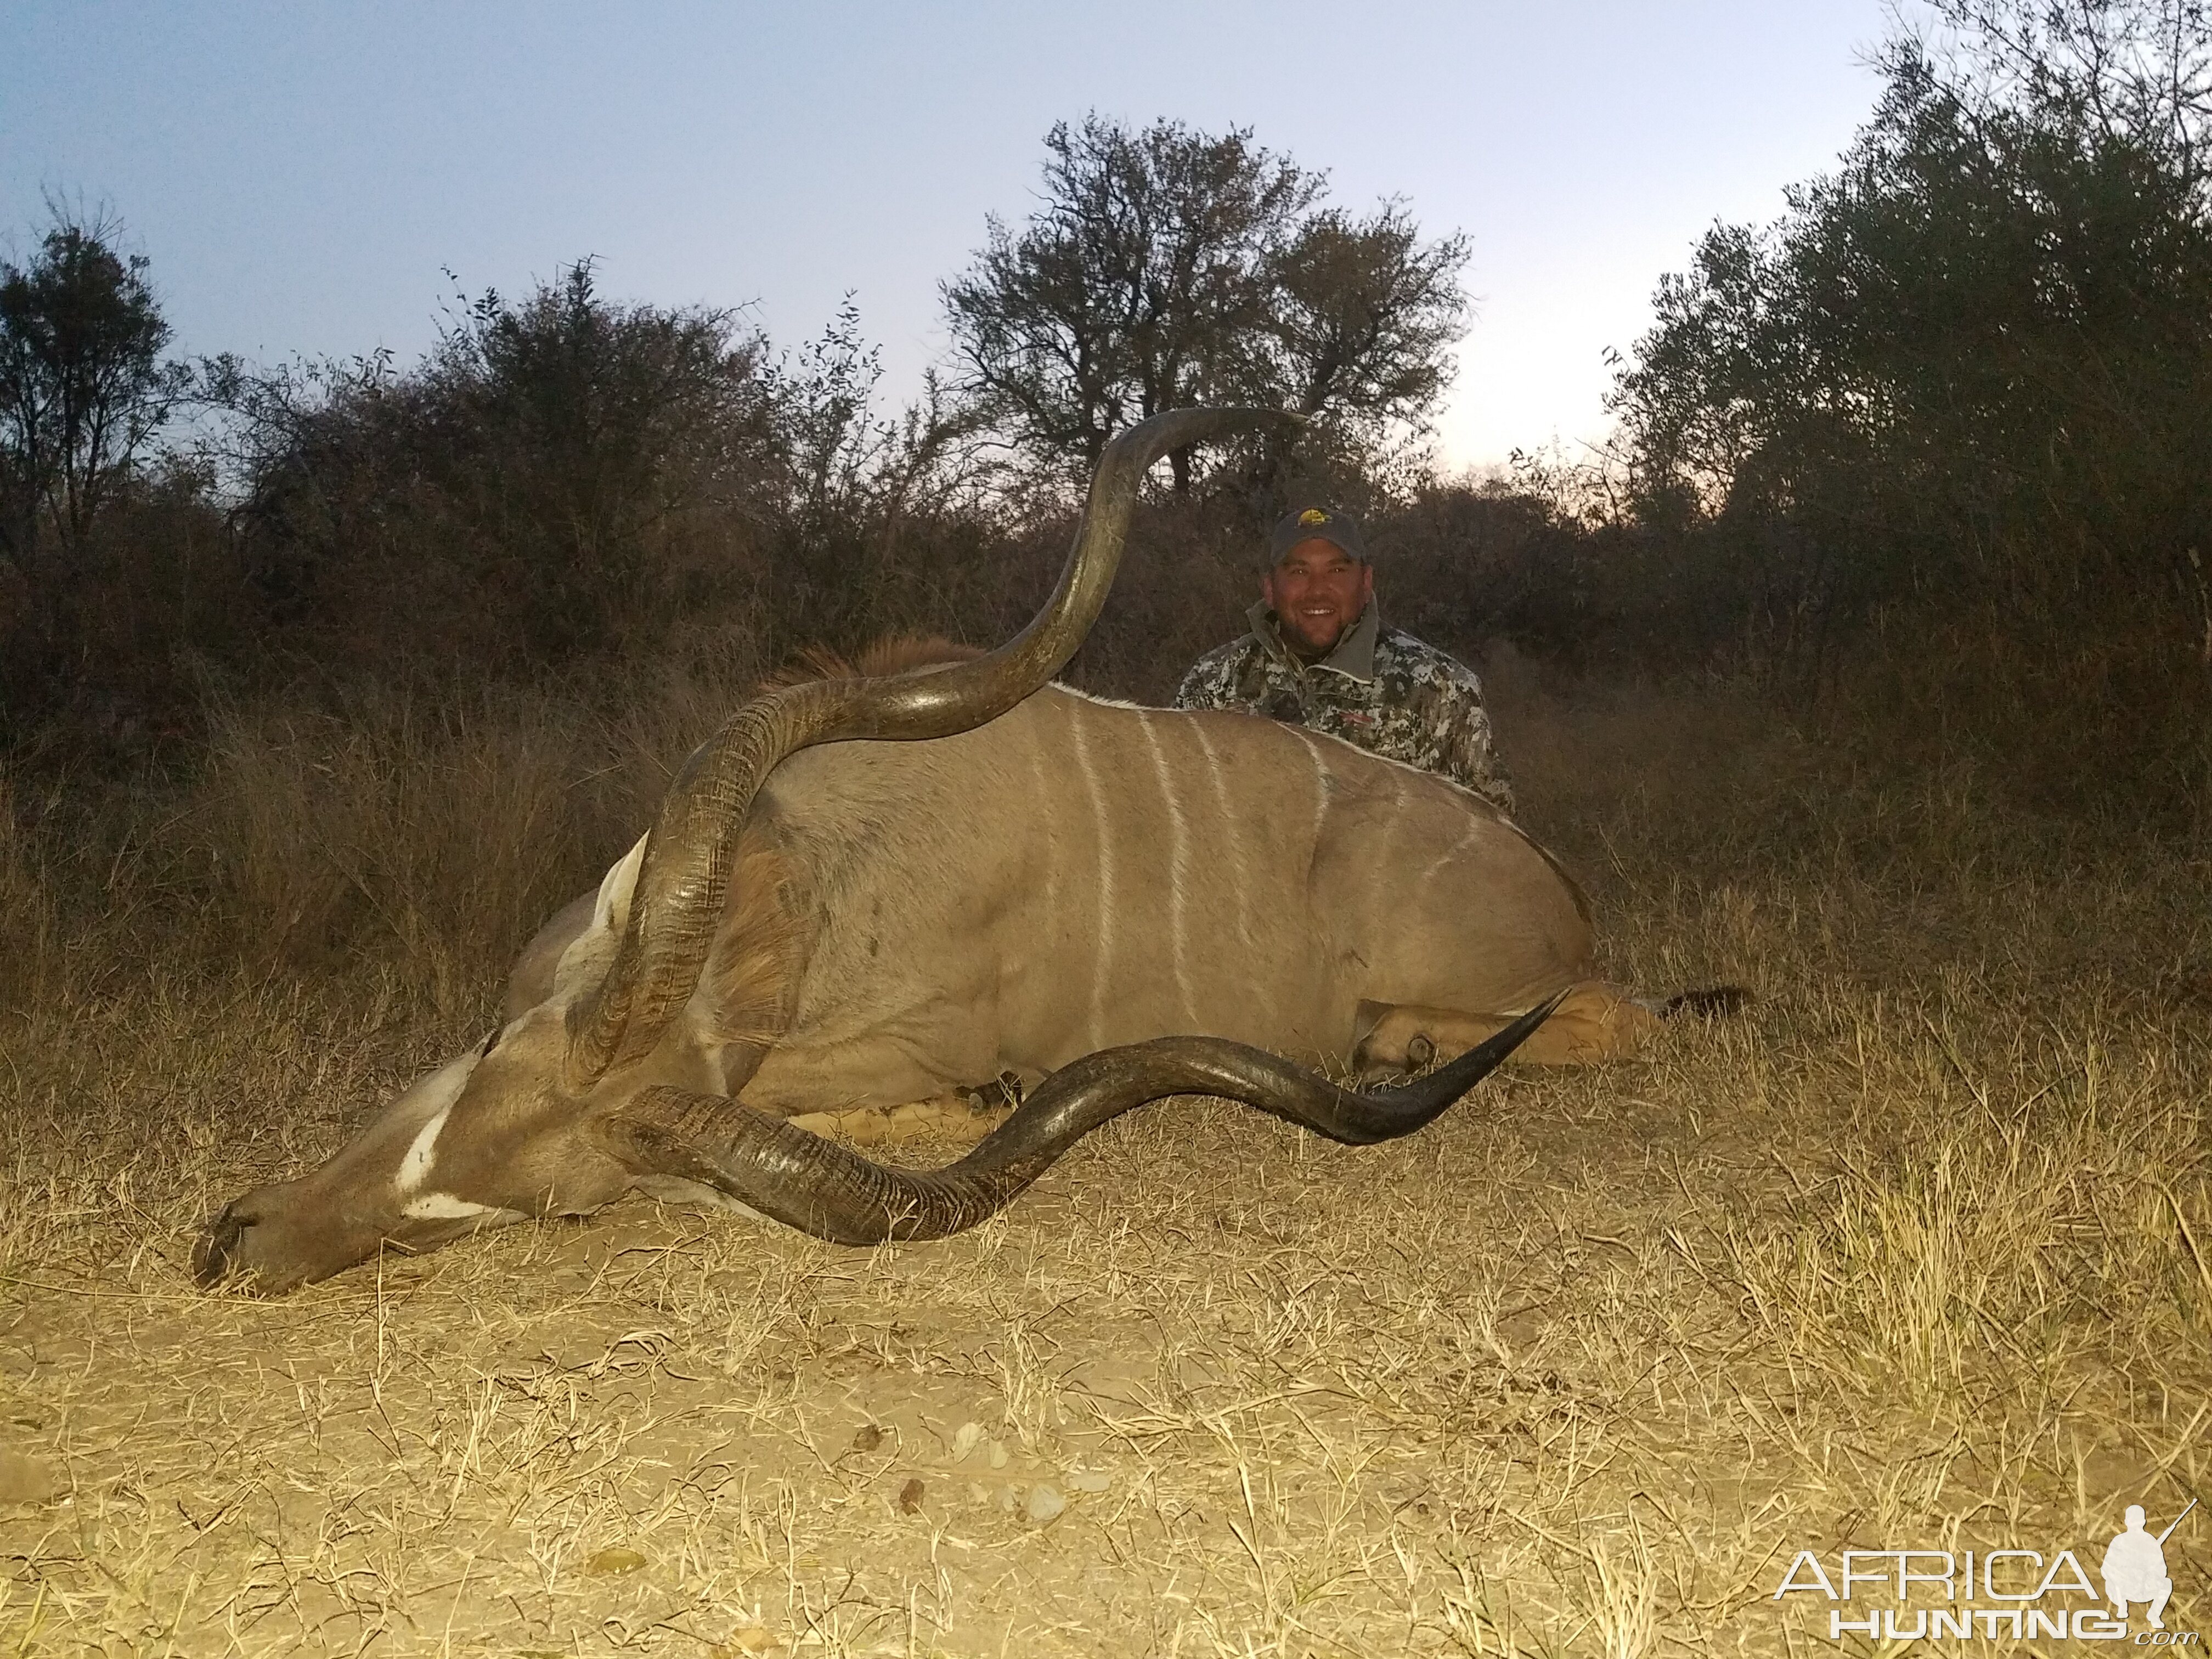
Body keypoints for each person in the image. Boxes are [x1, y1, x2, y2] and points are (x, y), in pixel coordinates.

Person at [1174, 504, 1516, 814]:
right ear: (1269, 588)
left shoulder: (1442, 688)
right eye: (1298, 572)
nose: (1318, 590)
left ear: (1366, 583)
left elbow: (1493, 839)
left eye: (1337, 571)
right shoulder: (1213, 683)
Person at [2102, 1505, 2174, 1629]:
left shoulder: (2150, 1542)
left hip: (2144, 1589)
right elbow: (2107, 1569)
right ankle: (2122, 1606)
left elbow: (2162, 1571)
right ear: (2144, 1521)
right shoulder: (2119, 1541)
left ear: (2126, 1522)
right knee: (2112, 1578)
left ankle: (2154, 1615)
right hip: (2122, 1589)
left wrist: (2147, 1573)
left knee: (2167, 1583)